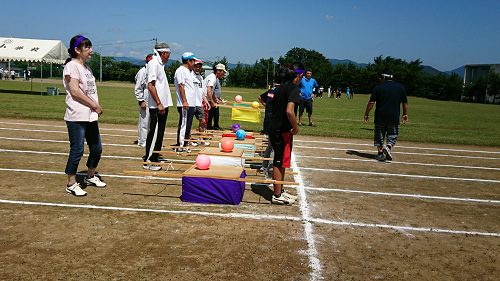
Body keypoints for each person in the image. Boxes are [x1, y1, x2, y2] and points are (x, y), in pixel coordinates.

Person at [62, 35, 106, 197]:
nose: (91, 50)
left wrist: (93, 108)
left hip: (90, 115)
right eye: (87, 47)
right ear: (77, 50)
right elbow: (74, 91)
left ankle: (90, 176)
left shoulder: (87, 69)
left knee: (96, 148)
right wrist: (94, 105)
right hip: (77, 115)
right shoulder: (72, 66)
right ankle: (71, 183)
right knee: (77, 150)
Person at [267, 62, 304, 205]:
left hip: (275, 128)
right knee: (278, 161)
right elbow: (290, 111)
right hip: (280, 131)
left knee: (281, 161)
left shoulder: (280, 87)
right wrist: (296, 127)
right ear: (299, 75)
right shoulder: (293, 88)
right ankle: (277, 195)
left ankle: (280, 191)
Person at [364, 69, 408, 161]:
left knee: (379, 135)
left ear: (384, 77)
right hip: (394, 116)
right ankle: (388, 146)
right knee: (393, 134)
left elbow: (371, 102)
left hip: (380, 116)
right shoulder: (400, 88)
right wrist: (405, 114)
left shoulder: (378, 88)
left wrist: (367, 113)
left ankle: (380, 154)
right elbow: (405, 103)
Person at [144, 42, 173, 171]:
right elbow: (151, 85)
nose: (169, 57)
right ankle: (149, 159)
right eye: (168, 54)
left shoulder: (160, 64)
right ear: (164, 53)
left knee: (160, 132)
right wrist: (159, 103)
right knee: (155, 132)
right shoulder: (154, 63)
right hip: (157, 106)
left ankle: (155, 156)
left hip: (162, 105)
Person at [258, 66, 287, 174]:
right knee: (275, 145)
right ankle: (270, 167)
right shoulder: (281, 91)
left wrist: (265, 105)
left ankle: (264, 165)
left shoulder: (271, 90)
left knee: (270, 144)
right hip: (275, 119)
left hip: (268, 117)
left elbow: (260, 97)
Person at [174, 52, 197, 152]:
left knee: (188, 125)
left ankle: (185, 143)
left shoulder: (188, 71)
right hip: (185, 103)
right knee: (184, 124)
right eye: (193, 61)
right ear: (188, 61)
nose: (194, 63)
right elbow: (181, 85)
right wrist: (184, 101)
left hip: (190, 103)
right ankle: (181, 145)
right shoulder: (181, 70)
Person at [134, 54, 153, 147]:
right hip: (145, 100)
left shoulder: (153, 72)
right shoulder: (143, 72)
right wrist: (141, 101)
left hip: (152, 101)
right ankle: (142, 141)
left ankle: (148, 139)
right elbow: (138, 88)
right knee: (144, 121)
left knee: (150, 122)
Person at [192, 59, 210, 145]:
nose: (197, 68)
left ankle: (200, 138)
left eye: (199, 66)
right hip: (191, 103)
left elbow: (201, 91)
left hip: (199, 103)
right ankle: (189, 138)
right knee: (189, 122)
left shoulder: (200, 77)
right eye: (196, 66)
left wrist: (206, 101)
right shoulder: (190, 76)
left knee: (202, 121)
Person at [204, 63, 227, 130]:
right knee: (205, 119)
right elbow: (208, 91)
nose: (223, 74)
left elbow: (212, 91)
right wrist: (212, 102)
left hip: (206, 99)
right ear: (218, 71)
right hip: (203, 99)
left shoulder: (214, 78)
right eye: (223, 72)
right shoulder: (212, 78)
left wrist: (216, 99)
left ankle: (208, 130)